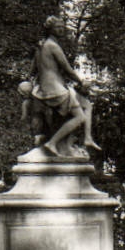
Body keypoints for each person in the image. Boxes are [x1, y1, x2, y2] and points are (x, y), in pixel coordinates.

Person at [28, 16, 99, 158]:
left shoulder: (41, 46)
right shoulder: (53, 46)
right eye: (58, 27)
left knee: (86, 105)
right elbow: (67, 68)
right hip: (56, 91)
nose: (61, 29)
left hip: (43, 91)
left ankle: (87, 138)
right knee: (79, 117)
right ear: (50, 29)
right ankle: (52, 143)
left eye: (62, 26)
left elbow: (32, 71)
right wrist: (81, 82)